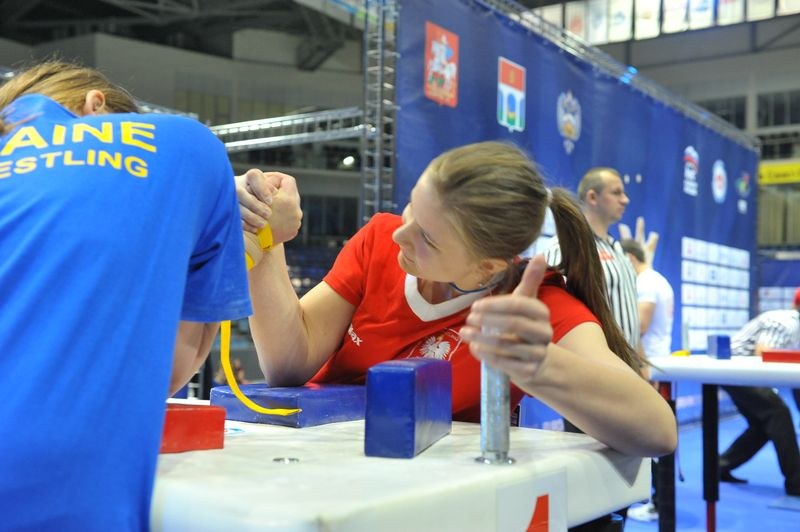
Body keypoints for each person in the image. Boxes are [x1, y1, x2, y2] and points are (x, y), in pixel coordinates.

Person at [239, 141, 677, 459]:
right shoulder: (378, 242)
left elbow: (657, 432)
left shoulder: (534, 305)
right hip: (317, 468)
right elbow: (288, 364)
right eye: (411, 208)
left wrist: (538, 363)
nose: (398, 234)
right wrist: (264, 236)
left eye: (426, 237)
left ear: (487, 268)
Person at [0, 60, 296, 529]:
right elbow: (171, 366)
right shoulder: (183, 141)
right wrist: (240, 225)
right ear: (96, 108)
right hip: (47, 493)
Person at [542, 167, 640, 349]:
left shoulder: (617, 246)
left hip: (628, 365)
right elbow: (559, 316)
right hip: (597, 367)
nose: (625, 200)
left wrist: (641, 360)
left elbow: (630, 312)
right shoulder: (565, 247)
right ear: (592, 197)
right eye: (616, 193)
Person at [718, 293, 800, 496]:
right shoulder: (786, 322)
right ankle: (797, 483)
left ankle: (719, 467)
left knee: (763, 426)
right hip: (737, 371)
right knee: (778, 414)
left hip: (740, 373)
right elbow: (763, 354)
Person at [621, 239, 675, 523]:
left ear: (629, 258)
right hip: (655, 363)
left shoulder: (645, 282)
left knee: (649, 439)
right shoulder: (658, 280)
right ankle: (658, 502)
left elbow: (638, 326)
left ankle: (656, 503)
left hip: (647, 365)